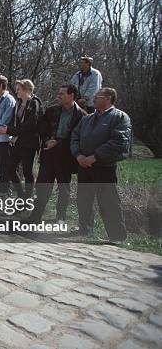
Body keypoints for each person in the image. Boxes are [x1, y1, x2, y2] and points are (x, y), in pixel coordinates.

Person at [70, 87, 131, 242]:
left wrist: (94, 157)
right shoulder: (87, 119)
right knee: (83, 199)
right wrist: (79, 155)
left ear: (108, 98)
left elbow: (119, 142)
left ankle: (117, 236)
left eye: (98, 96)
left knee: (108, 201)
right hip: (83, 166)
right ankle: (84, 229)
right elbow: (75, 137)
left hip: (104, 167)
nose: (94, 99)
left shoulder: (120, 117)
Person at [27, 84, 87, 224]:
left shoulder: (82, 115)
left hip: (66, 157)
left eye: (62, 94)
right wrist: (48, 140)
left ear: (71, 96)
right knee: (42, 187)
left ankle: (60, 218)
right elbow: (41, 127)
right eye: (58, 93)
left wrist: (60, 143)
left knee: (63, 189)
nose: (58, 96)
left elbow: (79, 137)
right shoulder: (51, 111)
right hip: (49, 154)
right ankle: (35, 217)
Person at [0, 79, 43, 198]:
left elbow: (30, 125)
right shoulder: (18, 103)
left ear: (26, 90)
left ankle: (27, 199)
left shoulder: (34, 103)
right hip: (17, 141)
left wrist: (9, 130)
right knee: (10, 167)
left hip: (29, 143)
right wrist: (7, 127)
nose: (16, 91)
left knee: (27, 171)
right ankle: (21, 195)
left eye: (19, 89)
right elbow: (14, 121)